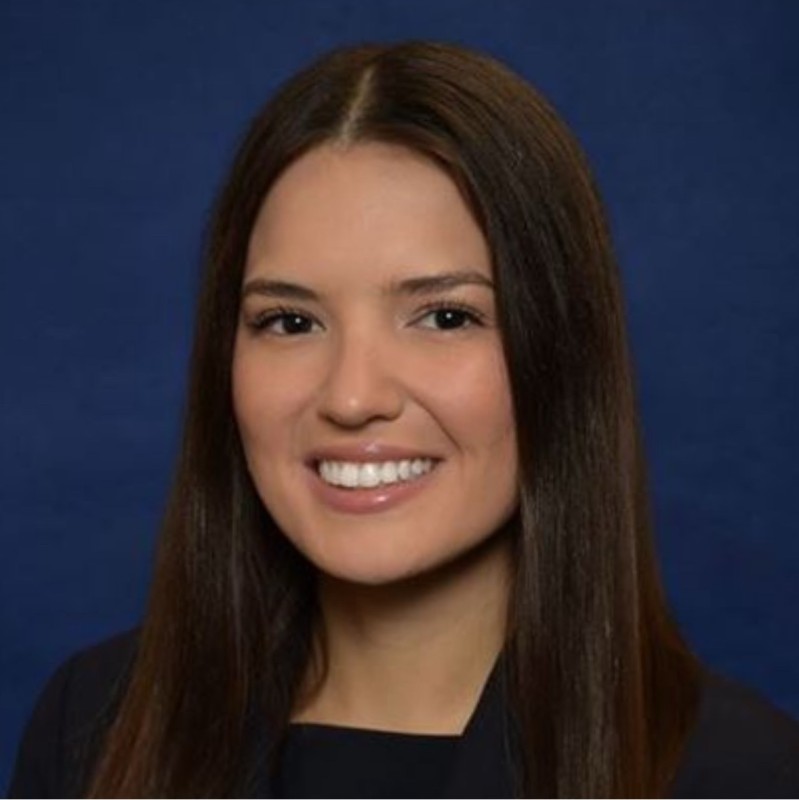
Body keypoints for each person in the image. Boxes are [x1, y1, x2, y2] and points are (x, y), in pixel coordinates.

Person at [8, 41, 799, 799]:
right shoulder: (94, 725)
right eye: (289, 321)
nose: (352, 398)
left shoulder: (739, 776)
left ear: (563, 353)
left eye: (445, 317)